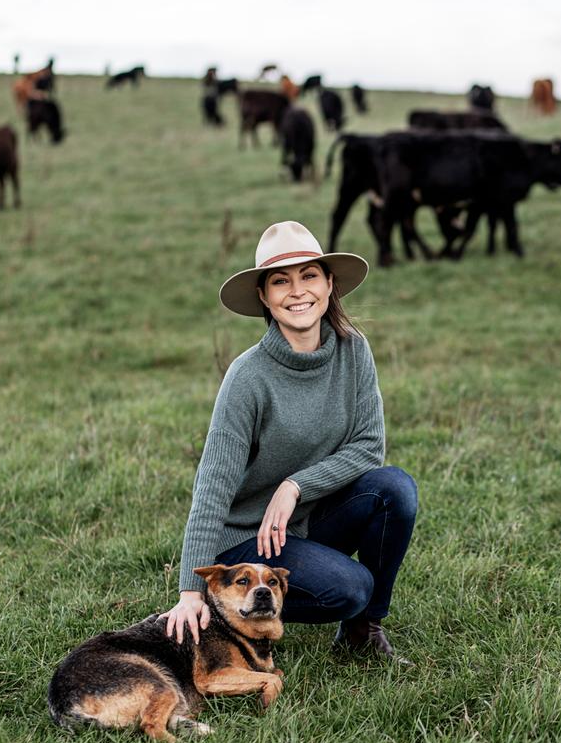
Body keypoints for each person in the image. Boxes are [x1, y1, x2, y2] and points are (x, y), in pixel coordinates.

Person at [160, 221, 418, 660]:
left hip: (309, 518)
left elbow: (369, 445)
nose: (298, 292)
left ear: (329, 283)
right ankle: (231, 608)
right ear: (264, 296)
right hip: (248, 538)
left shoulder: (353, 350)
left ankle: (362, 633)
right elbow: (213, 485)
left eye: (309, 276)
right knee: (350, 587)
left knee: (394, 489)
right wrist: (190, 591)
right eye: (281, 281)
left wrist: (294, 486)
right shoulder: (248, 377)